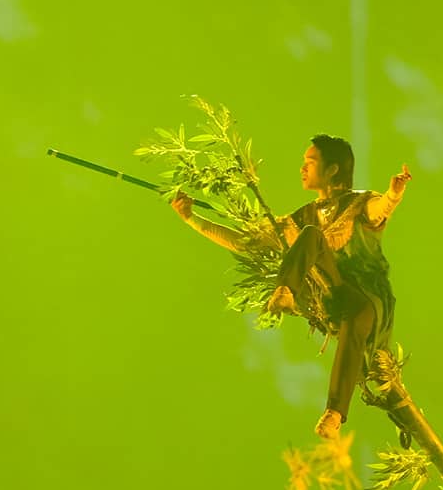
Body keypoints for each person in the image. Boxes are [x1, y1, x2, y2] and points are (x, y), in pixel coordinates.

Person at [173, 134, 411, 439]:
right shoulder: (301, 219)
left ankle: (335, 413)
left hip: (364, 300)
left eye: (309, 162)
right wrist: (193, 219)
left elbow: (380, 209)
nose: (302, 168)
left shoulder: (359, 203)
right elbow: (249, 244)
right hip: (331, 295)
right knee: (311, 234)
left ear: (332, 169)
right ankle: (286, 291)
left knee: (357, 316)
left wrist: (393, 194)